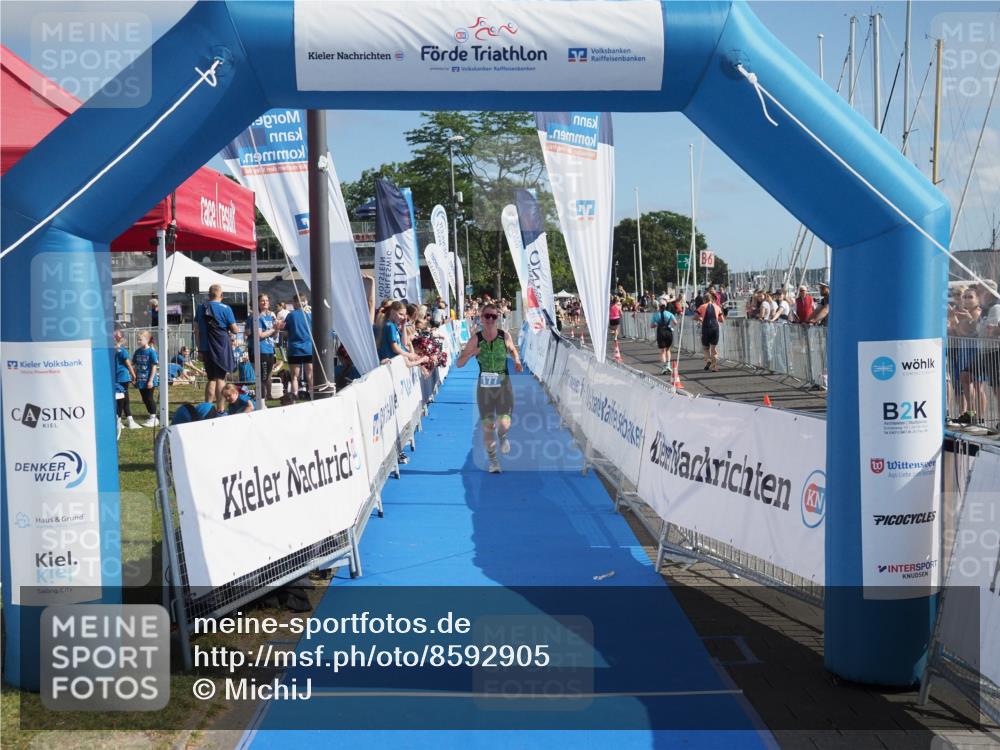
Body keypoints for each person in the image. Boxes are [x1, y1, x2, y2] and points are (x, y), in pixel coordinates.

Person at [456, 303, 523, 474]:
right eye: (487, 316)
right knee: (488, 426)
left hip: (504, 386)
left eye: (494, 317)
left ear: (497, 318)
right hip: (485, 388)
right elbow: (459, 363)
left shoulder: (504, 335)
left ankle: (503, 436)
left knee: (504, 424)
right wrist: (472, 352)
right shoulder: (475, 339)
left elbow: (513, 349)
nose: (491, 320)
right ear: (481, 318)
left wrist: (516, 360)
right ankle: (493, 461)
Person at [195, 283, 239, 411]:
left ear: (209, 295)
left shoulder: (200, 307)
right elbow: (235, 330)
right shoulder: (226, 308)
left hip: (206, 347)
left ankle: (207, 408)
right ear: (222, 295)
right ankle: (220, 409)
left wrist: (199, 348)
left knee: (211, 378)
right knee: (220, 378)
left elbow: (196, 329)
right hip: (221, 347)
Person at [246, 294, 278, 400]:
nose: (265, 302)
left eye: (267, 300)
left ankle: (268, 395)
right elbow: (259, 335)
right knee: (262, 375)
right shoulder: (255, 317)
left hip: (269, 348)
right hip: (259, 349)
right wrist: (273, 329)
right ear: (257, 303)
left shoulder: (270, 316)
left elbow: (274, 335)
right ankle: (262, 397)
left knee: (268, 375)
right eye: (262, 301)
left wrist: (277, 328)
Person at [113, 329, 140, 435]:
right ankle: (128, 421)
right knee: (124, 400)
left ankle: (120, 420)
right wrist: (133, 375)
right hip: (122, 377)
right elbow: (128, 364)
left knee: (120, 400)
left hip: (115, 377)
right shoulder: (123, 351)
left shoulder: (110, 350)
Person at [132, 330, 160, 427]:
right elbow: (134, 365)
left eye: (140, 339)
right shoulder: (137, 352)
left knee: (149, 398)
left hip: (149, 381)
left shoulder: (151, 352)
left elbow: (154, 367)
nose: (138, 341)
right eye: (137, 340)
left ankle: (154, 418)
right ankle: (151, 416)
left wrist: (151, 380)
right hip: (140, 381)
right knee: (144, 399)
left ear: (147, 340)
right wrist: (134, 377)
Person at [696, 292, 725, 372]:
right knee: (713, 349)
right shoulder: (717, 307)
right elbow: (722, 320)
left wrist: (700, 318)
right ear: (711, 299)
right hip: (715, 328)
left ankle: (708, 360)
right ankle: (714, 367)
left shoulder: (702, 306)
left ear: (704, 299)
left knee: (705, 348)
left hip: (706, 328)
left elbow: (695, 316)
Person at [650, 301, 677, 375]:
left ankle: (664, 367)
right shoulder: (669, 313)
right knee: (668, 349)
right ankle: (668, 366)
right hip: (668, 331)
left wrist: (656, 324)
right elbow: (675, 322)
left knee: (662, 350)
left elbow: (651, 325)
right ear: (665, 306)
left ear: (659, 306)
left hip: (660, 331)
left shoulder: (655, 315)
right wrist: (670, 327)